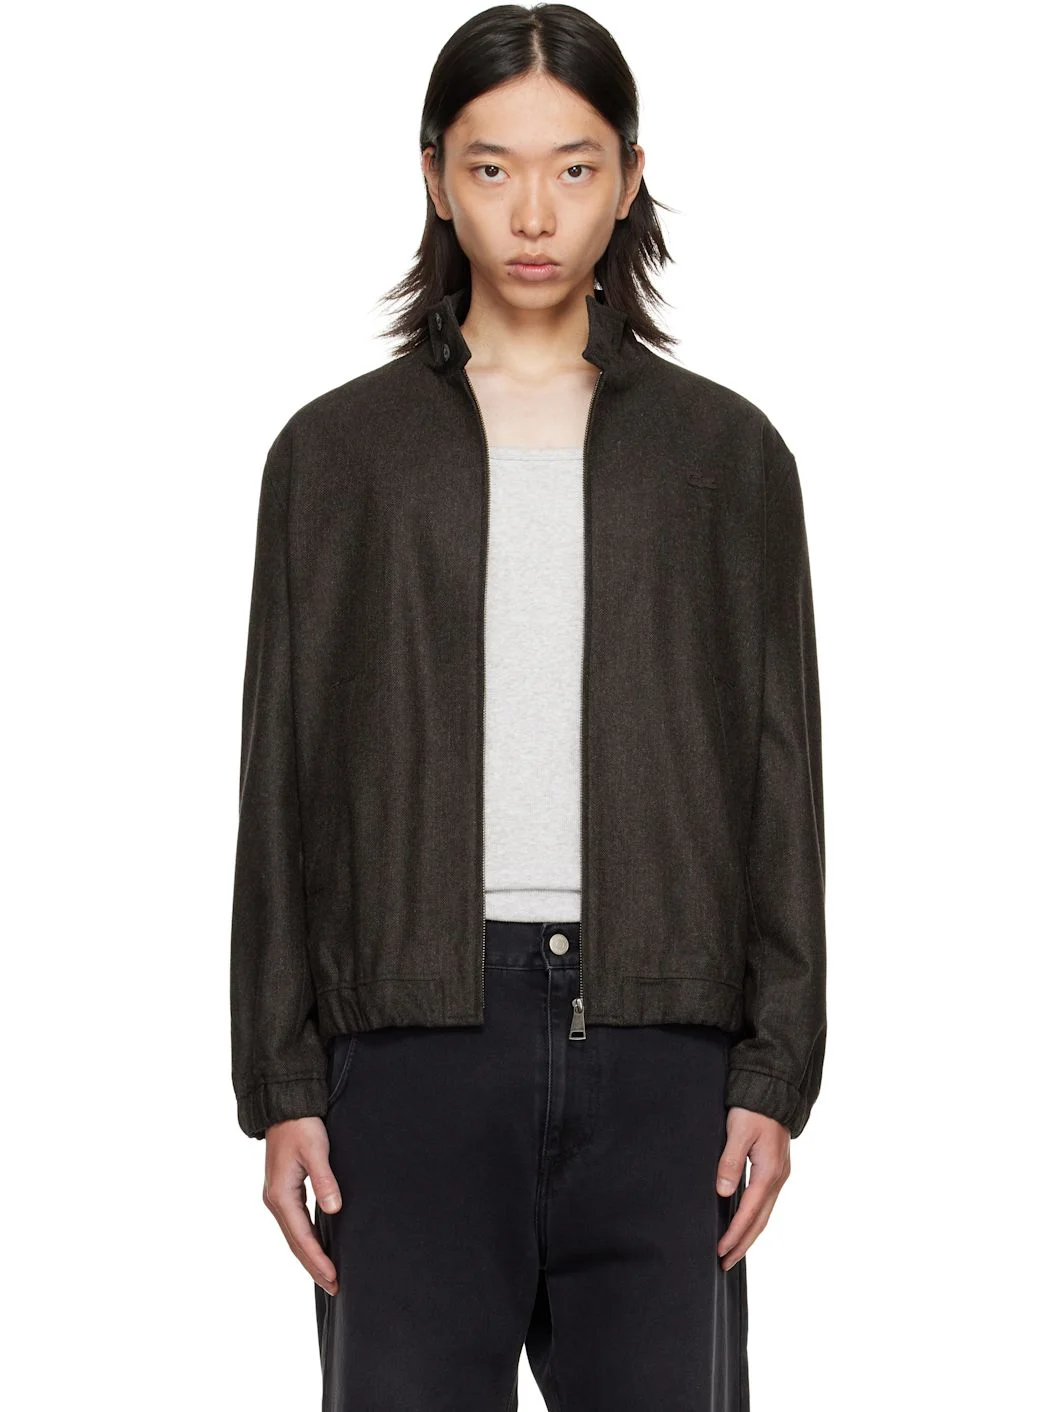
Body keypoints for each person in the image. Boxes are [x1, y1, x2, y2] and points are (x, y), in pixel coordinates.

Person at [229, 6, 826, 1408]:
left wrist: (773, 1068)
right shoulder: (338, 456)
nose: (535, 214)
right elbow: (281, 778)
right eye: (492, 168)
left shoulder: (724, 457)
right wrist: (283, 1084)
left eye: (574, 166)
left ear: (629, 177)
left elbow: (780, 775)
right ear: (435, 177)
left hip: (664, 1045)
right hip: (408, 1047)